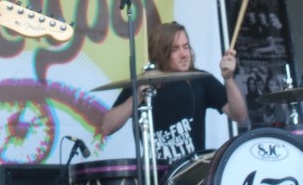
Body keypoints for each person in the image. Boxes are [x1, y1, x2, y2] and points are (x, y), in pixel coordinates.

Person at [100, 21, 249, 164]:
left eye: (186, 47)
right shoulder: (144, 85)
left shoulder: (201, 80)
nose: (184, 54)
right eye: (175, 49)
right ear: (161, 53)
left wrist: (228, 78)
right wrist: (137, 97)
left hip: (192, 176)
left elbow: (240, 115)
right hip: (156, 179)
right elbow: (106, 127)